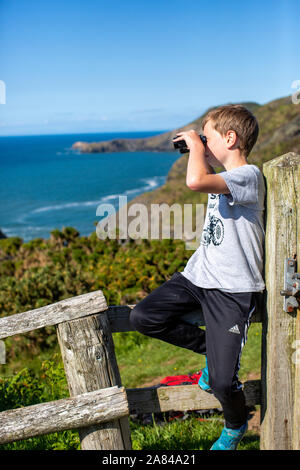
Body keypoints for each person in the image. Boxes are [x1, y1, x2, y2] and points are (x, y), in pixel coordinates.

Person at [130, 104, 265, 450]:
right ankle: (215, 351)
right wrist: (201, 147)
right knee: (143, 316)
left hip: (233, 291)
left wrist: (193, 143)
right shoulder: (223, 178)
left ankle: (235, 425)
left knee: (222, 383)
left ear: (230, 138)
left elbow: (194, 180)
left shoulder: (247, 176)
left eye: (209, 137)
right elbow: (201, 177)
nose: (203, 144)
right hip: (197, 277)